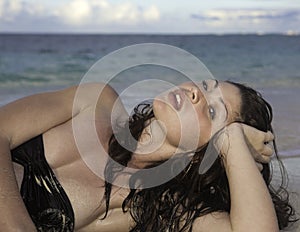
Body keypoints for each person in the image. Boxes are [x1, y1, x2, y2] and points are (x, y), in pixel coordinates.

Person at [0, 79, 297, 231]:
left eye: (211, 111)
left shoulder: (152, 209)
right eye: (206, 85)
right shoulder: (97, 101)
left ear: (205, 153)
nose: (195, 92)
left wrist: (232, 140)